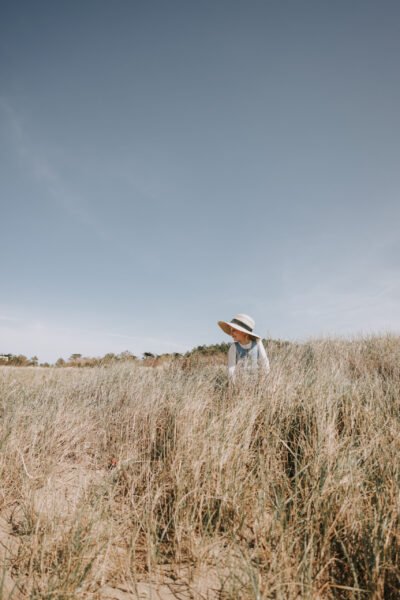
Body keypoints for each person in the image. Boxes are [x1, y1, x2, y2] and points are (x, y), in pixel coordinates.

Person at [218, 313, 270, 382]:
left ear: (244, 332)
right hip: (240, 384)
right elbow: (231, 368)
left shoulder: (257, 343)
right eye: (231, 330)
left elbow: (264, 362)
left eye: (234, 330)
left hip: (257, 383)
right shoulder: (233, 347)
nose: (231, 333)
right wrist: (233, 384)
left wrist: (264, 381)